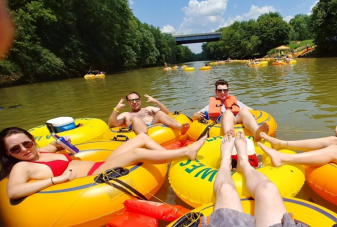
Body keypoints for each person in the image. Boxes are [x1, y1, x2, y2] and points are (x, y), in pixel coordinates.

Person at [0, 127, 205, 199]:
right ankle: (186, 152)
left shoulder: (40, 151)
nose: (24, 150)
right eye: (15, 149)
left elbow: (55, 146)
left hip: (99, 163)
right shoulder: (21, 166)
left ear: (32, 141)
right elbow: (13, 191)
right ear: (8, 154)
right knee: (136, 152)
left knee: (141, 138)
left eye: (26, 143)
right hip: (93, 177)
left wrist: (60, 143)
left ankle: (170, 161)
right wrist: (55, 180)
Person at [192, 79, 269, 142]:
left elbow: (252, 110)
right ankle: (229, 138)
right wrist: (196, 115)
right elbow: (195, 115)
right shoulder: (211, 105)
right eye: (220, 90)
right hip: (223, 118)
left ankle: (256, 132)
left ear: (228, 91)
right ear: (216, 92)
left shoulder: (235, 102)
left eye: (225, 90)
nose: (223, 93)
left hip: (237, 118)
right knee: (228, 112)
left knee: (245, 110)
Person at [109, 92, 190, 136]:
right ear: (128, 103)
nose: (134, 102)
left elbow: (166, 113)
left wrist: (156, 102)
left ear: (140, 101)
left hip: (152, 125)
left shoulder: (149, 108)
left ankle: (180, 127)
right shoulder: (125, 114)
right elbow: (112, 125)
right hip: (138, 130)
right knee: (136, 119)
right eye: (131, 101)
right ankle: (145, 139)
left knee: (159, 113)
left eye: (136, 100)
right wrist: (116, 109)